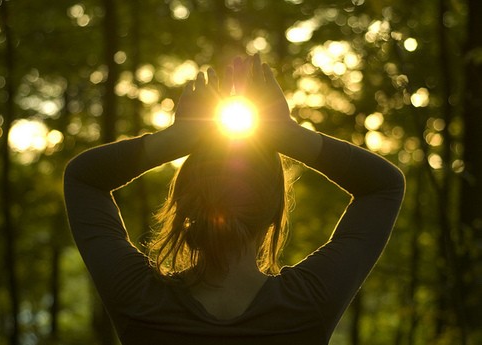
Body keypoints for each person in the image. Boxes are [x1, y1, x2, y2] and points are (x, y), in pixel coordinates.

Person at [63, 54, 405, 344]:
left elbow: (84, 178)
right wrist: (287, 134)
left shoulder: (140, 299)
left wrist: (177, 138)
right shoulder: (308, 303)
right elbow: (383, 185)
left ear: (183, 203)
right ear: (274, 212)